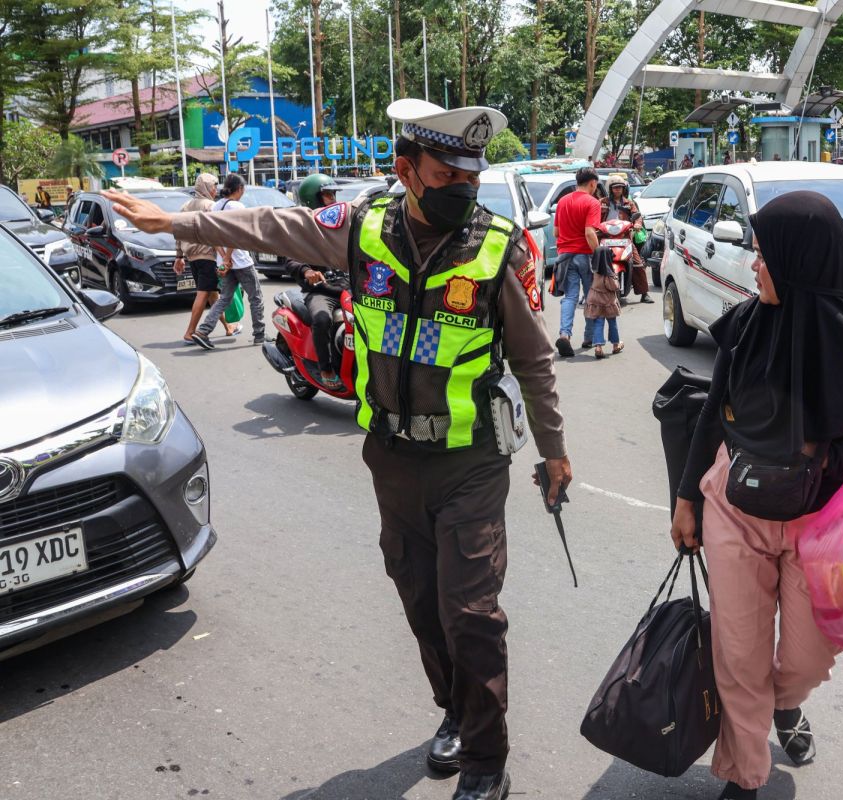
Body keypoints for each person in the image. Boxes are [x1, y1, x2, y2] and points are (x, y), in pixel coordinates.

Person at [103, 98, 572, 800]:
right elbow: (270, 225)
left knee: (471, 612)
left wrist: (555, 451)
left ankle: (484, 760)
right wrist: (175, 220)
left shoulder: (495, 245)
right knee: (419, 597)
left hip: (471, 458)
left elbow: (534, 360)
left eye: (472, 177)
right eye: (448, 175)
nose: (464, 189)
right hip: (390, 456)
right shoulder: (363, 227)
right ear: (406, 171)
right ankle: (454, 709)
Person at [670, 192, 843, 800]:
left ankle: (782, 705)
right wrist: (686, 499)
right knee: (738, 653)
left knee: (805, 661)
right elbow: (710, 418)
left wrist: (832, 459)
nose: (755, 267)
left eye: (764, 256)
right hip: (736, 507)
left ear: (800, 262)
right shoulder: (746, 324)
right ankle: (744, 772)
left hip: (826, 524)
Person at [187, 174, 268, 350]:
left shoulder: (215, 206)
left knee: (224, 299)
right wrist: (228, 256)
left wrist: (223, 257)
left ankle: (203, 331)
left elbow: (212, 237)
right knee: (256, 297)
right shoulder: (236, 206)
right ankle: (259, 335)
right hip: (240, 261)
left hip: (223, 261)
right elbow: (237, 235)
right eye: (243, 189)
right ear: (239, 189)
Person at [288, 173, 351, 388]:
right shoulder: (303, 229)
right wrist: (306, 271)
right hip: (321, 290)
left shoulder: (341, 224)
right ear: (313, 198)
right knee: (323, 319)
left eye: (333, 194)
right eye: (327, 195)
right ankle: (326, 369)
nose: (333, 199)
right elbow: (291, 259)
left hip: (348, 288)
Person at [174, 172, 237, 344]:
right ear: (207, 188)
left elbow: (178, 233)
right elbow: (218, 233)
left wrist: (179, 256)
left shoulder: (185, 206)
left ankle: (228, 327)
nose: (216, 190)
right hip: (208, 256)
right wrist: (226, 257)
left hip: (192, 258)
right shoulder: (211, 206)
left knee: (212, 294)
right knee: (203, 293)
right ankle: (190, 332)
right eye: (213, 186)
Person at [553, 166, 601, 357]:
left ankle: (564, 334)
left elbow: (556, 233)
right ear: (593, 183)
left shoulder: (563, 201)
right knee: (591, 297)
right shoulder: (592, 203)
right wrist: (598, 253)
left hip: (565, 257)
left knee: (570, 297)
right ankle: (588, 338)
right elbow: (590, 232)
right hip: (585, 256)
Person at [600, 174, 653, 305]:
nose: (618, 190)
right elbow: (595, 216)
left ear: (624, 189)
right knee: (595, 262)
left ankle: (644, 293)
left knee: (638, 263)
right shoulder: (602, 203)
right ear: (610, 189)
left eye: (620, 188)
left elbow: (637, 216)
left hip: (624, 237)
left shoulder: (629, 203)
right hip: (606, 237)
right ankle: (592, 292)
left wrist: (637, 224)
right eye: (615, 188)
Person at [585, 249, 622, 358]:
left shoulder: (594, 270)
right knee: (612, 323)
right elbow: (614, 286)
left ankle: (598, 347)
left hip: (594, 300)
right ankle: (616, 344)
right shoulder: (608, 273)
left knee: (598, 323)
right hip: (608, 302)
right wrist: (616, 278)